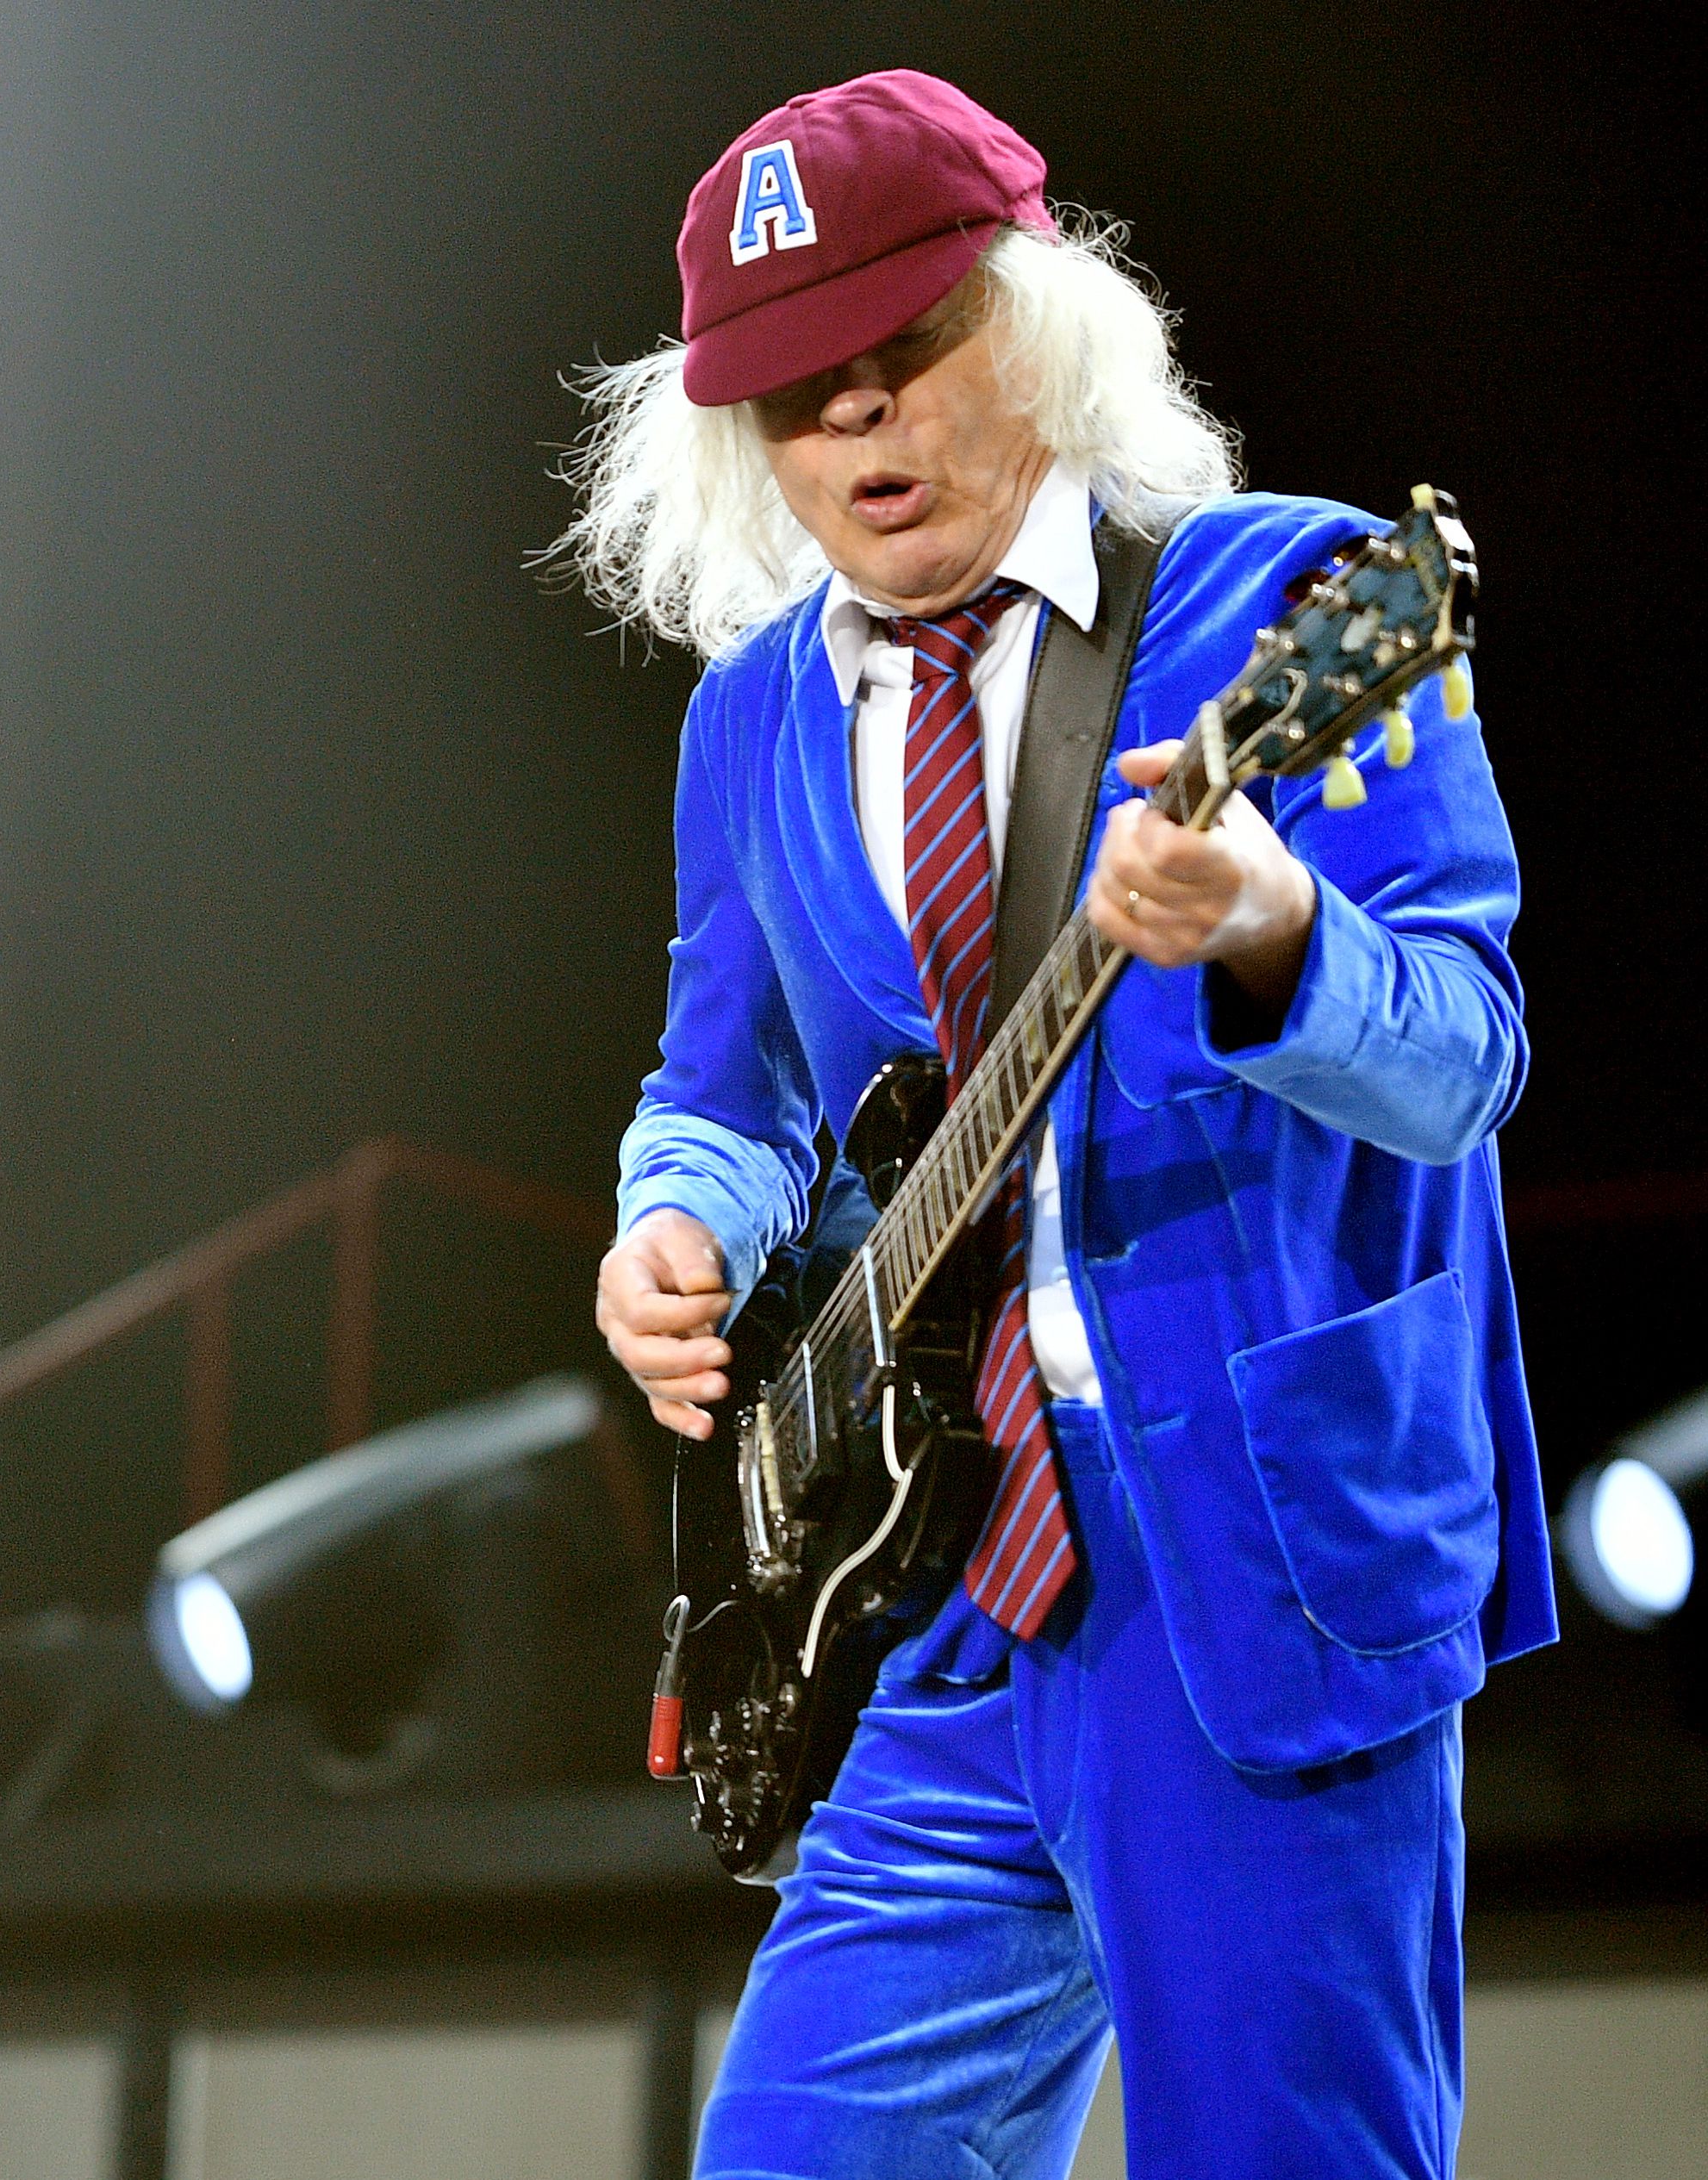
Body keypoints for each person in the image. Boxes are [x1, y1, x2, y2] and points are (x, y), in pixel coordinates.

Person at [561, 72, 1549, 2179]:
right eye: (790, 391)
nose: (853, 425)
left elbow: (1461, 1050)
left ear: (1033, 320)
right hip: (932, 1586)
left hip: (1249, 1568)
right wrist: (680, 1227)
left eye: (900, 349)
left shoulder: (1288, 607)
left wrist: (1269, 923)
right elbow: (719, 1085)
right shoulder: (745, 716)